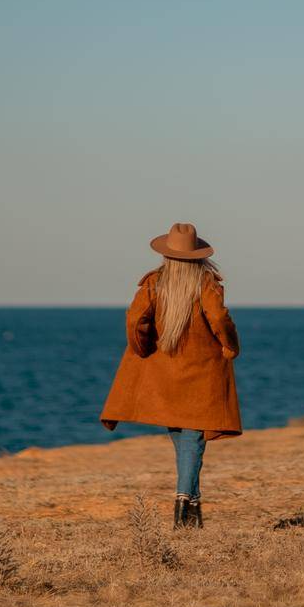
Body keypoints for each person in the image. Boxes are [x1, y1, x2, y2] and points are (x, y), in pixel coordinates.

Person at [100, 222, 241, 527]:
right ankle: (183, 505)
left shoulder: (155, 283)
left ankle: (193, 509)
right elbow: (219, 317)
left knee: (183, 436)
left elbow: (135, 318)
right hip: (201, 370)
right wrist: (230, 346)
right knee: (190, 437)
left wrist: (142, 347)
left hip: (164, 372)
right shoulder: (205, 283)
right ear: (197, 255)